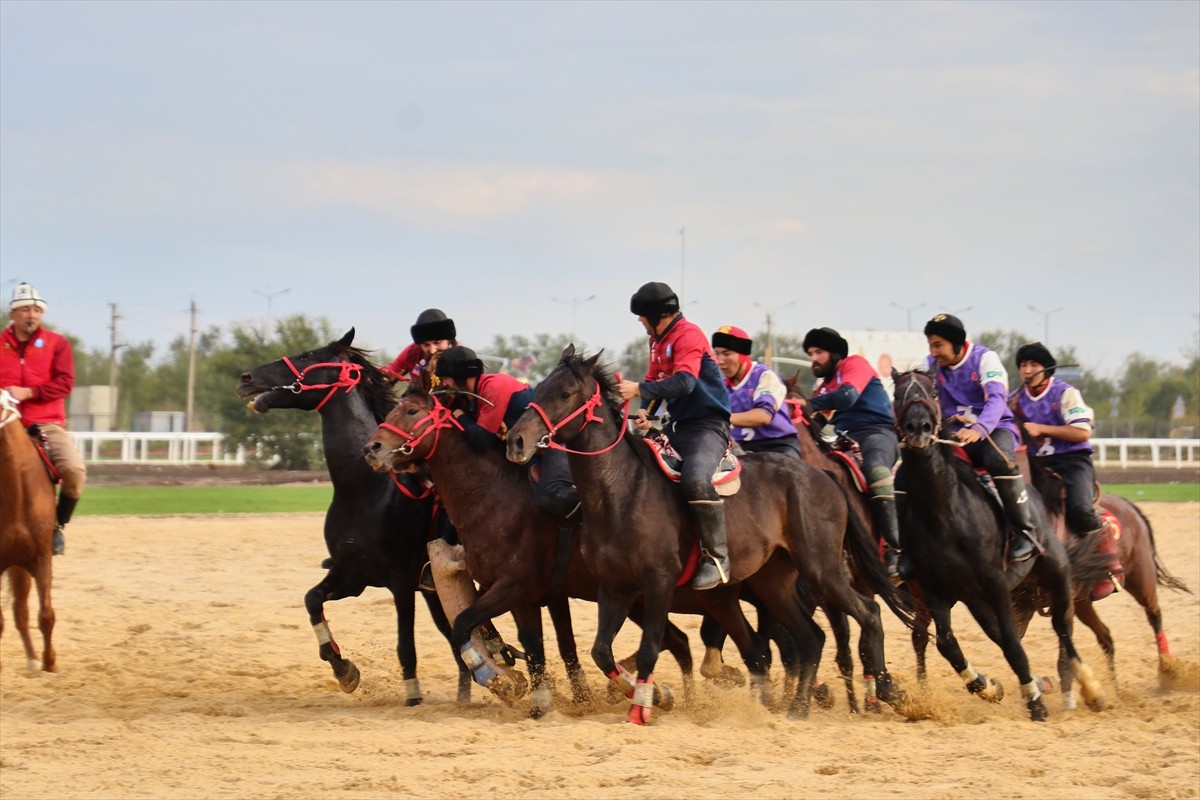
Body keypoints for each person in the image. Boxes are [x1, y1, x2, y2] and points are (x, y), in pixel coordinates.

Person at [417, 346, 580, 587]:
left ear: (462, 375)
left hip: (552, 445)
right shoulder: (470, 396)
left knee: (552, 497)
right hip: (524, 454)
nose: (447, 382)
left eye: (448, 377)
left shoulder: (493, 387)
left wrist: (459, 414)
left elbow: (481, 439)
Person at [617, 282, 732, 590]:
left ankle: (717, 558)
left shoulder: (689, 335)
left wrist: (639, 390)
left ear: (658, 315)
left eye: (643, 316)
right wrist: (648, 412)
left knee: (695, 479)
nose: (640, 322)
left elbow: (684, 383)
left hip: (708, 426)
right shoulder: (658, 341)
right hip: (676, 425)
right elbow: (655, 380)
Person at [921, 313, 1038, 563]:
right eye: (931, 345)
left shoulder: (985, 358)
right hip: (953, 435)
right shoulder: (929, 364)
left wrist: (979, 430)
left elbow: (996, 400)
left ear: (958, 343)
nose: (933, 352)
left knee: (999, 461)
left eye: (938, 345)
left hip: (994, 429)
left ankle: (1024, 532)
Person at [1012, 341, 1121, 598]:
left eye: (1033, 364)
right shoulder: (1014, 399)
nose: (1027, 370)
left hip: (1072, 460)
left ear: (1047, 369)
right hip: (1035, 464)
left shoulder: (1066, 393)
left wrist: (1041, 428)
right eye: (1023, 365)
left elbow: (1082, 431)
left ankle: (1111, 566)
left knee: (1080, 509)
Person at [802, 326, 903, 578]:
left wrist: (807, 404)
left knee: (877, 470)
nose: (813, 358)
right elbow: (820, 423)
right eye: (810, 353)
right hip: (840, 438)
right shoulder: (821, 388)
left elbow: (847, 397)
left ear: (836, 354)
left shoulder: (854, 364)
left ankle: (895, 549)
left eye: (819, 352)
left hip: (876, 433)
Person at [0, 282, 85, 556]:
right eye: (25, 309)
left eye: (37, 309)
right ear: (13, 314)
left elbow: (65, 383)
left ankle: (57, 526)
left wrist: (29, 392)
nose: (32, 315)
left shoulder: (57, 344)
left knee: (74, 471)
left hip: (46, 423)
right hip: (3, 424)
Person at [711, 325, 800, 458]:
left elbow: (763, 416)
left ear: (742, 355)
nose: (720, 360)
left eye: (727, 354)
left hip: (778, 445)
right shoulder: (721, 387)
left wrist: (720, 418)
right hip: (740, 447)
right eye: (717, 354)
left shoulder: (765, 376)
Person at [384, 308, 457, 388]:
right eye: (426, 345)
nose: (432, 351)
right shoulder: (412, 352)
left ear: (449, 340)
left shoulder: (460, 357)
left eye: (437, 342)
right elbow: (390, 370)